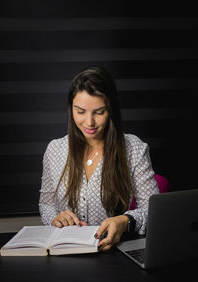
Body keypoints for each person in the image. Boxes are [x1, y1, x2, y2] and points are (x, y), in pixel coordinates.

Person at [39, 66, 159, 251]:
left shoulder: (134, 148)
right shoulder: (54, 149)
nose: (89, 122)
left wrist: (125, 220)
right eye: (80, 111)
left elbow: (154, 211)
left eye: (99, 112)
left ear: (111, 109)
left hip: (114, 255)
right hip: (65, 254)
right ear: (71, 108)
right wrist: (55, 219)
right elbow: (46, 203)